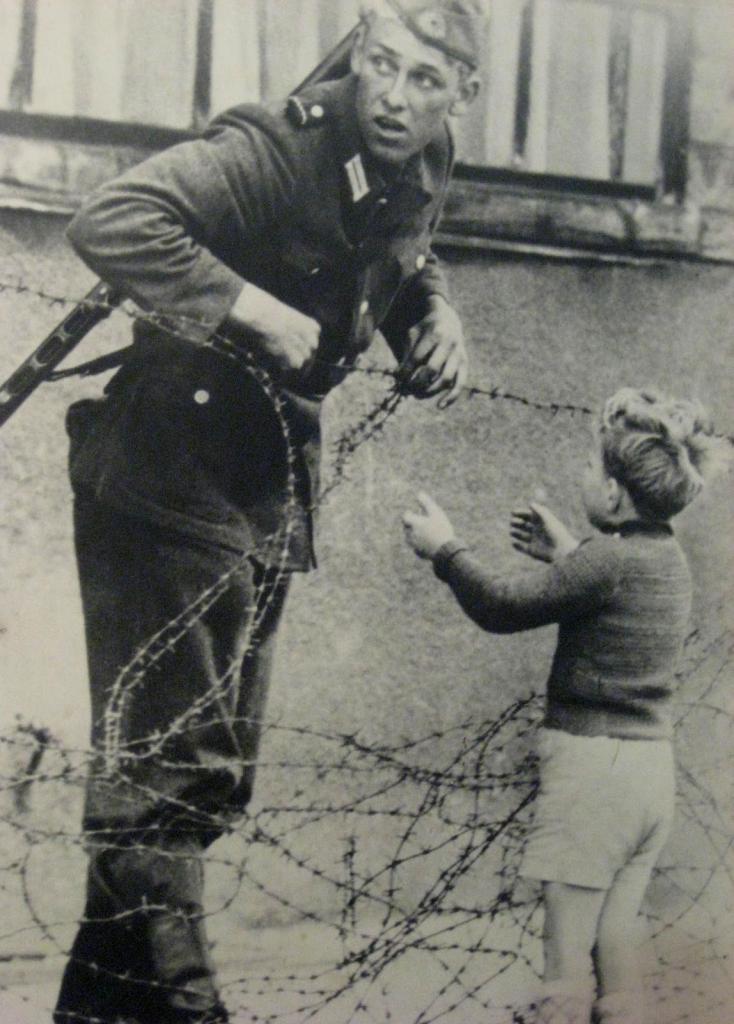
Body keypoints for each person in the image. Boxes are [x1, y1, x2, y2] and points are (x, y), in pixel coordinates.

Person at [53, 3, 483, 1022]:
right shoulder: (277, 143)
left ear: (460, 95)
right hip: (169, 472)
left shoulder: (426, 159)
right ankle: (193, 1008)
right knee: (170, 770)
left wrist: (434, 315)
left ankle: (95, 1008)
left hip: (265, 485)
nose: (391, 94)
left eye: (424, 79)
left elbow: (408, 250)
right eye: (380, 64)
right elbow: (110, 219)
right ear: (359, 54)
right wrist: (251, 307)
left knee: (202, 774)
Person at [402, 387, 727, 1024]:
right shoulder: (667, 560)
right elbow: (613, 592)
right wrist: (569, 555)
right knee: (617, 942)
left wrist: (445, 550)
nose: (582, 474)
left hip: (592, 775)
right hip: (648, 775)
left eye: (590, 467)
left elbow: (502, 607)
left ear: (612, 493)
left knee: (564, 960)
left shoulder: (604, 561)